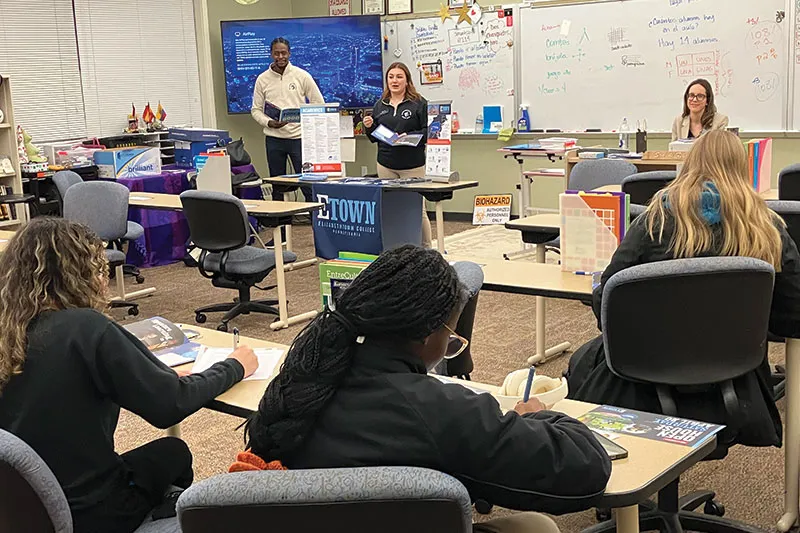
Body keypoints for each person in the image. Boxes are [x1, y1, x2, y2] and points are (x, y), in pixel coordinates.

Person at [244, 245, 612, 532]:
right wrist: (542, 417)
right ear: (426, 334)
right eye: (452, 338)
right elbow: (587, 468)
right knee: (537, 526)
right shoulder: (444, 411)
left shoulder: (295, 384)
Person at [0, 217, 259, 533]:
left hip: (20, 508)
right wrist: (235, 365)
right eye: (98, 270)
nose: (101, 281)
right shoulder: (86, 328)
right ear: (77, 275)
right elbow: (169, 405)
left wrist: (150, 374)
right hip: (91, 512)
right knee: (173, 452)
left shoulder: (8, 331)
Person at [566, 130, 800, 448]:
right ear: (742, 169)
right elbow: (793, 316)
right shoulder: (769, 229)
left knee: (583, 361)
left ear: (690, 164)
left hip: (645, 377)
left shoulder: (654, 222)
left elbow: (607, 300)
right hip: (735, 380)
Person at [364, 62, 433, 248]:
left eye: (399, 77)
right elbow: (373, 137)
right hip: (386, 164)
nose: (395, 81)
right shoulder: (380, 105)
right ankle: (395, 248)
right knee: (391, 209)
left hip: (413, 165)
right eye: (391, 77)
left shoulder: (419, 103)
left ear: (407, 80)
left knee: (418, 210)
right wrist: (368, 126)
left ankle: (427, 249)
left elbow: (430, 131)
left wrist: (411, 137)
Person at [251, 37, 324, 202]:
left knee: (308, 185)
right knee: (278, 185)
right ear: (271, 55)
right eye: (276, 53)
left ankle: (314, 224)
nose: (280, 57)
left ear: (289, 53)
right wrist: (269, 122)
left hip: (299, 139)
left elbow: (318, 104)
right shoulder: (262, 79)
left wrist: (302, 118)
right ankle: (281, 226)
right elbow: (256, 110)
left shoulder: (302, 75)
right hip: (274, 139)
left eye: (283, 53)